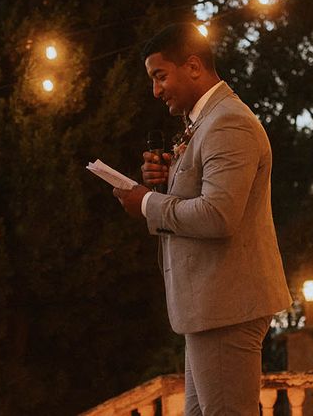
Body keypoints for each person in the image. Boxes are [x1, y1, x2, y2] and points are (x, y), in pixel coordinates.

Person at [113, 22, 291, 415]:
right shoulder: (205, 122)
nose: (155, 90)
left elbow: (218, 216)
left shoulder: (228, 122)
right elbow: (199, 205)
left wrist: (146, 203)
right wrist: (160, 187)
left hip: (226, 306)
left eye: (160, 76)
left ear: (193, 66)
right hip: (210, 309)